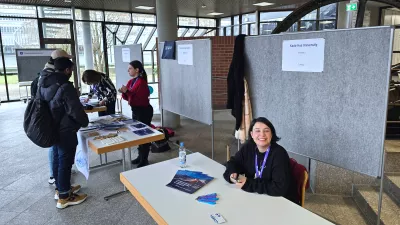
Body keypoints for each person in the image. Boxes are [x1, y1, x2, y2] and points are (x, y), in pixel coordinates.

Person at [39, 57, 89, 209]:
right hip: (65, 129)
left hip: (52, 126)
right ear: (67, 70)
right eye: (71, 70)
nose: (71, 72)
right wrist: (84, 121)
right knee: (65, 162)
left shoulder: (44, 83)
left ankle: (60, 188)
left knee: (57, 158)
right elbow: (75, 110)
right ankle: (65, 197)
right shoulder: (65, 86)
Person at [223, 117, 298, 204]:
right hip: (256, 197)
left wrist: (249, 184)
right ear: (251, 134)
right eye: (257, 131)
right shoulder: (248, 148)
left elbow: (279, 188)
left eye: (266, 131)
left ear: (271, 134)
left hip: (279, 201)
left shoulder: (279, 154)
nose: (262, 134)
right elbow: (233, 162)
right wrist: (232, 173)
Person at [32, 49, 73, 186]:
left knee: (58, 154)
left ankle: (59, 186)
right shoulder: (55, 79)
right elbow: (59, 103)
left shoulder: (45, 75)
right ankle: (63, 191)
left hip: (52, 121)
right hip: (59, 124)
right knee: (62, 157)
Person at [119, 60, 153, 168]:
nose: (128, 70)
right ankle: (140, 156)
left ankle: (144, 159)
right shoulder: (131, 81)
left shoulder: (142, 82)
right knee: (138, 133)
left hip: (144, 110)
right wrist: (124, 92)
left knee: (144, 134)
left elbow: (139, 100)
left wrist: (127, 92)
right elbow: (128, 98)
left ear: (137, 70)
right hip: (136, 110)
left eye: (130, 68)